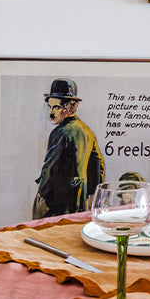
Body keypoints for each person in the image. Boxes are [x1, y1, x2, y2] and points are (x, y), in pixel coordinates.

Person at [32, 79, 105, 219]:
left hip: (58, 201)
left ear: (70, 108)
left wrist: (41, 193)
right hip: (80, 200)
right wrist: (92, 193)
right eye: (50, 107)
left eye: (56, 107)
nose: (51, 112)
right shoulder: (87, 131)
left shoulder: (61, 132)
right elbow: (98, 165)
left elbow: (50, 167)